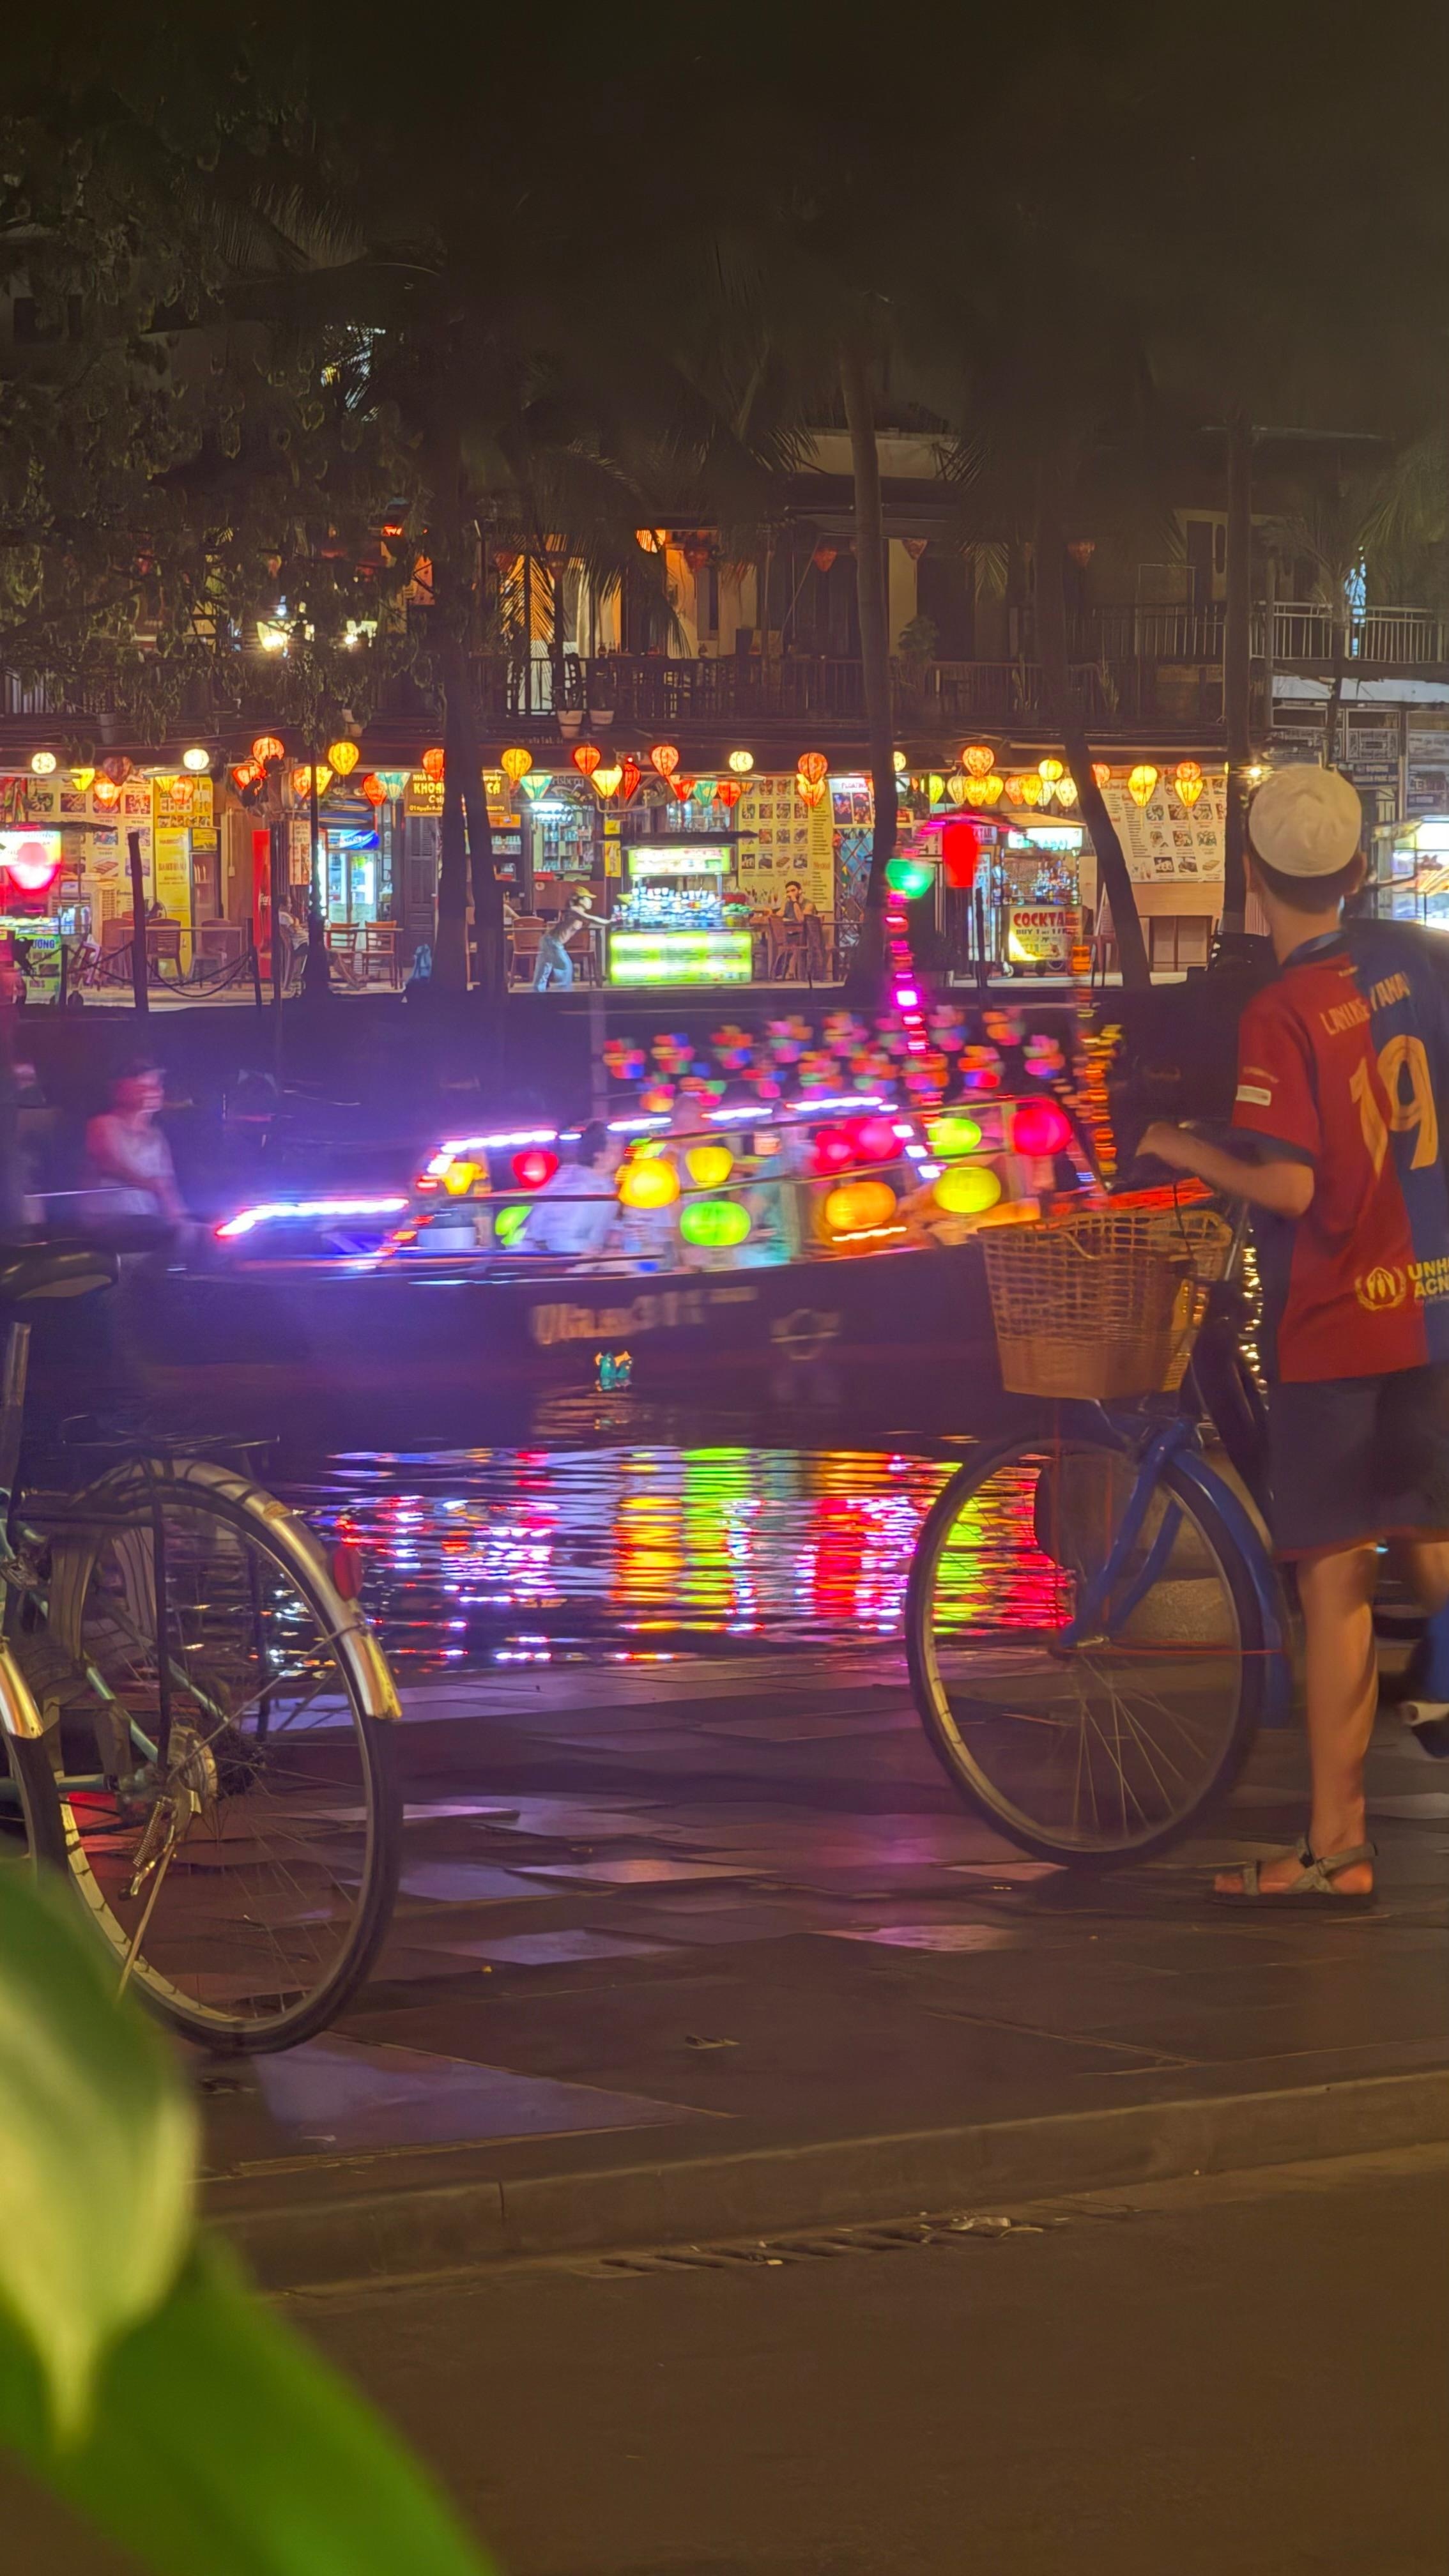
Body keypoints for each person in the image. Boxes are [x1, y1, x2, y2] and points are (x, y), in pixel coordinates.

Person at [1140, 763, 1449, 1901]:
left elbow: (1290, 1186)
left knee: (1334, 1577)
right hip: (1434, 1298)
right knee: (1425, 1523)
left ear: (1251, 878)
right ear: (1358, 869)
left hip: (1337, 1320)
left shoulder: (1280, 1010)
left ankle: (1334, 1844)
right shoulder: (1411, 961)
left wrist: (1177, 1145)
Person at [84, 1060, 189, 1238]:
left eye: (157, 1086)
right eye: (143, 1086)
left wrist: (180, 1218)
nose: (153, 1092)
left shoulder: (156, 1136)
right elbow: (110, 1164)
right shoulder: (104, 1125)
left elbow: (167, 1184)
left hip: (148, 1219)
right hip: (110, 1220)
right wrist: (151, 1185)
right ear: (121, 1090)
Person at [524, 1121, 619, 1262]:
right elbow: (558, 1239)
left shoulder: (607, 1185)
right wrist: (594, 1255)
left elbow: (602, 1227)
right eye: (614, 1146)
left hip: (586, 1263)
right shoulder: (575, 1186)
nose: (620, 1151)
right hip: (553, 1266)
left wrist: (617, 1234)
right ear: (599, 1155)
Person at [533, 889, 595, 991]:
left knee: (544, 968)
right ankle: (563, 994)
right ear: (581, 901)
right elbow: (593, 919)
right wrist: (609, 921)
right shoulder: (575, 910)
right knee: (565, 968)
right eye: (588, 899)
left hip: (548, 940)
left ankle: (538, 994)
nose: (590, 902)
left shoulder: (576, 913)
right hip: (552, 942)